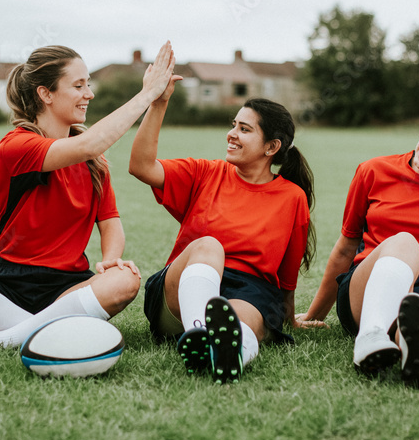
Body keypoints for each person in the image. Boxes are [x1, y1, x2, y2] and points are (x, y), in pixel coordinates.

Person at [0, 42, 176, 352]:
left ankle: (1, 340)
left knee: (124, 280)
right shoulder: (17, 146)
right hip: (7, 282)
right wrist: (146, 95)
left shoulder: (95, 163)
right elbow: (89, 144)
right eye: (79, 85)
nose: (89, 94)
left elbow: (109, 221)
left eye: (89, 85)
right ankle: (57, 328)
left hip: (67, 286)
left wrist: (111, 259)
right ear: (46, 94)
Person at [297, 110, 419, 389]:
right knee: (404, 241)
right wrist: (314, 314)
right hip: (371, 280)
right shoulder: (373, 170)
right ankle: (372, 337)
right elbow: (346, 248)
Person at [129, 91, 314, 385]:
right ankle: (198, 332)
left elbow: (286, 275)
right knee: (208, 245)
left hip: (248, 290)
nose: (232, 134)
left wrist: (289, 318)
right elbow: (141, 166)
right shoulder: (206, 173)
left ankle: (232, 354)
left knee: (240, 323)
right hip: (180, 290)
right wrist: (159, 103)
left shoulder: (292, 198)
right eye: (234, 125)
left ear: (272, 147)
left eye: (244, 129)